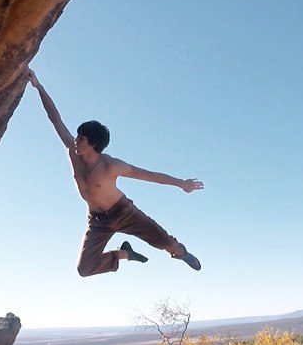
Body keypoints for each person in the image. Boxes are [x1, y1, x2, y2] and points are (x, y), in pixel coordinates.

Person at [28, 70, 203, 276]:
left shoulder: (110, 165)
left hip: (124, 213)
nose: (76, 140)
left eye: (81, 138)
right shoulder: (72, 152)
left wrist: (182, 183)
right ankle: (125, 254)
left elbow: (150, 176)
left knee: (165, 243)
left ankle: (182, 253)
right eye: (77, 136)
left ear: (93, 144)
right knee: (84, 269)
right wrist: (38, 86)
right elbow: (55, 119)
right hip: (97, 220)